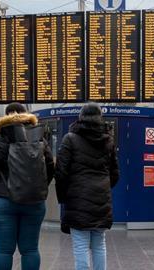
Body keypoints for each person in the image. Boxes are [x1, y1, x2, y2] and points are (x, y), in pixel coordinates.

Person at [0, 102, 55, 270]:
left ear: (5, 116)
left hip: (1, 201)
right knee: (30, 249)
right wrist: (37, 188)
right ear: (25, 115)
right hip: (34, 201)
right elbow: (49, 168)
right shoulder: (39, 138)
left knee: (3, 251)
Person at [55, 103, 119, 270]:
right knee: (99, 244)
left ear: (80, 117)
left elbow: (61, 172)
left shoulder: (70, 139)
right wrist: (103, 187)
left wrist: (63, 197)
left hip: (77, 200)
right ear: (100, 118)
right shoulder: (108, 141)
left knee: (81, 245)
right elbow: (115, 173)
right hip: (101, 200)